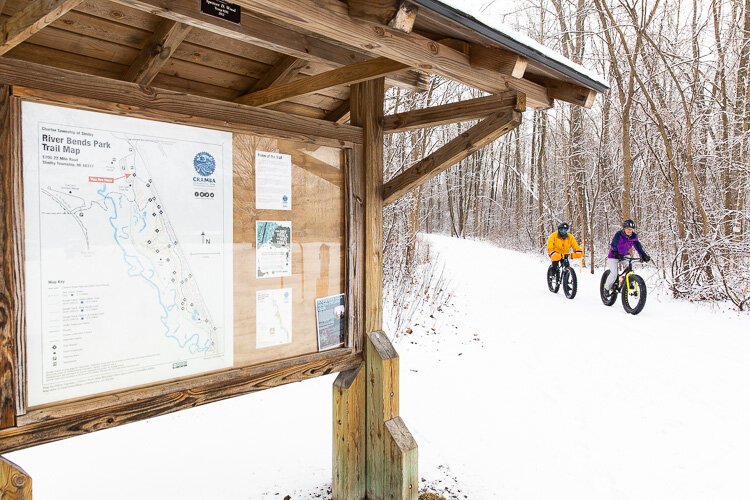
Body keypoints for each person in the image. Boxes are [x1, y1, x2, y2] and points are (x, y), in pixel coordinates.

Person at [603, 219, 651, 292]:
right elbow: (613, 244)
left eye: (631, 229)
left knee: (630, 267)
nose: (629, 231)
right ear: (624, 229)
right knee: (614, 274)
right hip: (613, 256)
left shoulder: (633, 237)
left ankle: (629, 281)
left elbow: (638, 246)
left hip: (625, 255)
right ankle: (606, 289)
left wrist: (643, 255)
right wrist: (615, 252)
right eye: (627, 229)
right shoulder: (618, 235)